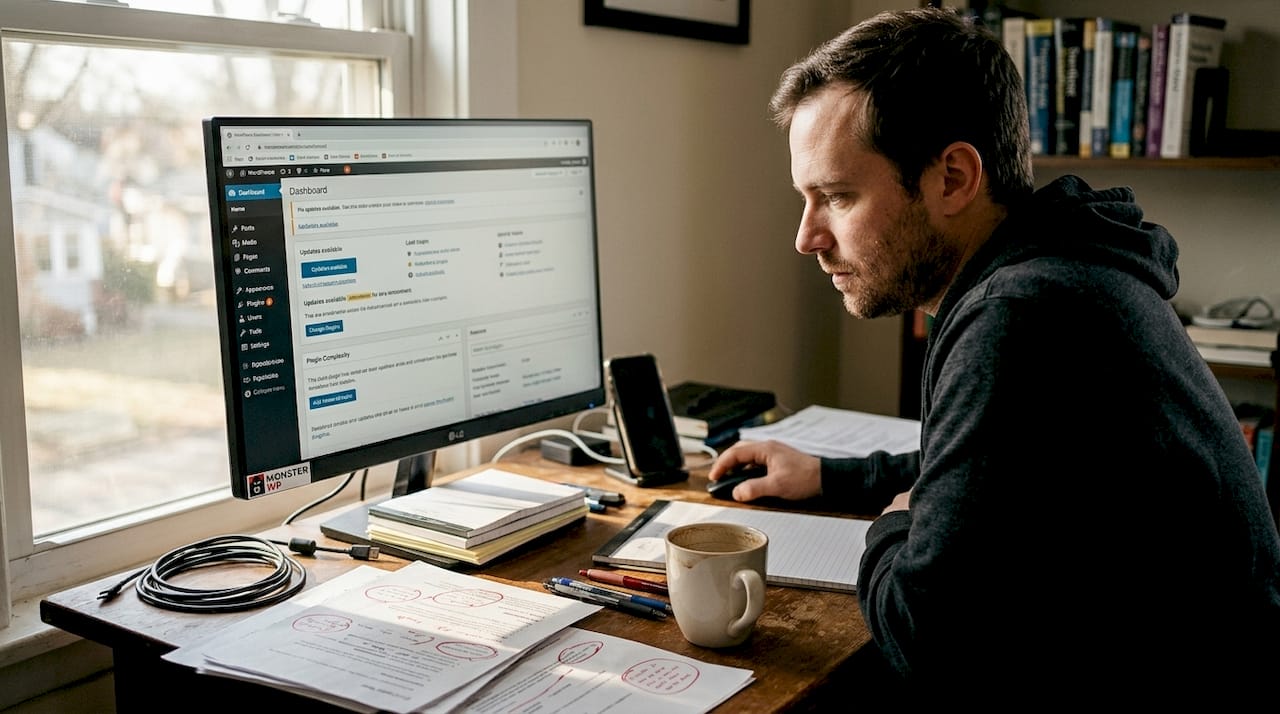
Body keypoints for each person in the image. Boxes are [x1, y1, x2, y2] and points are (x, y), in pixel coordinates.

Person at [708, 6, 1280, 703]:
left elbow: (926, 633)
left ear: (953, 177)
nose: (808, 237)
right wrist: (837, 477)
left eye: (836, 196)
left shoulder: (1021, 316)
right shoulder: (1067, 271)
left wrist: (894, 523)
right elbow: (993, 468)